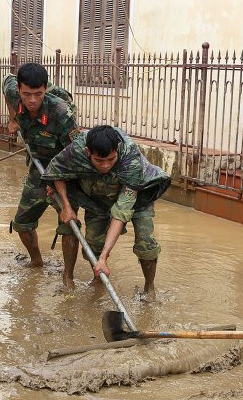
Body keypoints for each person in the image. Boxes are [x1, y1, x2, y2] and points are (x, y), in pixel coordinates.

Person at [42, 125, 170, 296]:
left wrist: (104, 257)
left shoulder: (130, 159)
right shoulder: (77, 149)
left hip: (139, 194)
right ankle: (98, 278)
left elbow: (121, 213)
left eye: (111, 159)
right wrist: (66, 207)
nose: (106, 165)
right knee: (93, 243)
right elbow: (56, 171)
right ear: (87, 152)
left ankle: (149, 289)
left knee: (145, 242)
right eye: (99, 160)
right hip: (99, 195)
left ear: (117, 149)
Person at [3, 63, 80, 283]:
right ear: (19, 89)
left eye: (38, 94)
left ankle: (68, 276)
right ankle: (36, 262)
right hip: (39, 165)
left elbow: (74, 156)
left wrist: (57, 187)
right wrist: (13, 118)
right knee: (22, 222)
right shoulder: (13, 91)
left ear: (45, 89)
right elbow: (5, 82)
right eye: (27, 94)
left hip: (65, 167)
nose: (32, 100)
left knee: (69, 223)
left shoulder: (61, 113)